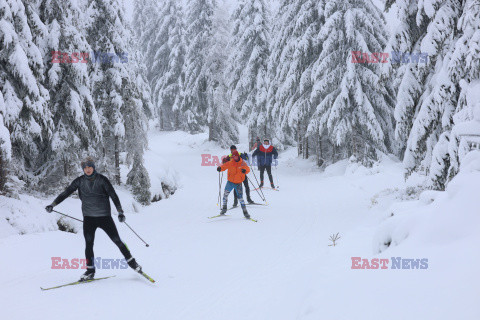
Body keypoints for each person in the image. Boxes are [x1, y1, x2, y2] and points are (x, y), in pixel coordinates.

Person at [45, 157, 142, 281]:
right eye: (85, 167)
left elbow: (113, 196)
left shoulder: (102, 180)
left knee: (117, 240)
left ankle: (133, 263)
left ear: (93, 167)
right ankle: (90, 271)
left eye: (89, 167)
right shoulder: (79, 181)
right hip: (89, 218)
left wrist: (120, 212)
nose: (87, 169)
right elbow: (66, 193)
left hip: (104, 217)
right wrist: (53, 205)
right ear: (83, 169)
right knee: (89, 245)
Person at [217, 150, 251, 219]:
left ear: (238, 156)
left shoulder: (242, 163)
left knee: (240, 198)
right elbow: (224, 166)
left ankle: (245, 212)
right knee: (225, 195)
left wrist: (245, 171)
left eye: (235, 156)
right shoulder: (230, 162)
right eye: (233, 157)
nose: (234, 158)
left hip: (238, 183)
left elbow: (248, 169)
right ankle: (224, 209)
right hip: (230, 182)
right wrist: (220, 168)